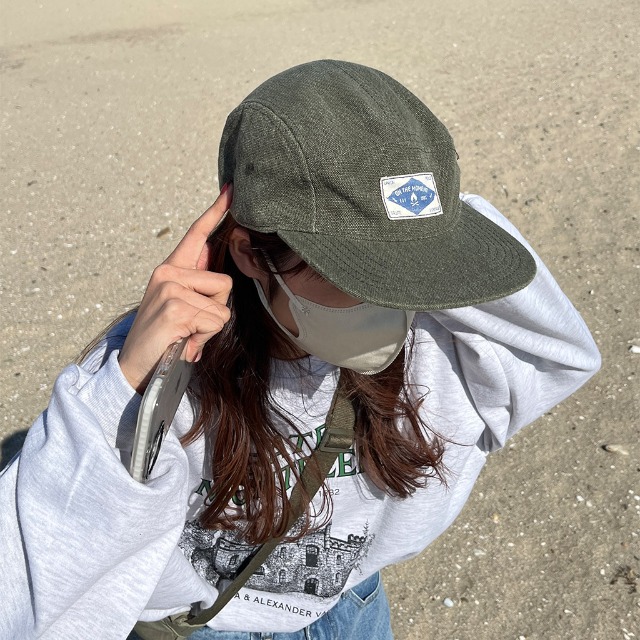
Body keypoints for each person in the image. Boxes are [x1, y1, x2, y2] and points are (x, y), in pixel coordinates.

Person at [0, 60, 601, 640]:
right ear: (250, 253)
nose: (396, 299)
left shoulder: (444, 349)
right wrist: (128, 388)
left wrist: (421, 219)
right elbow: (30, 596)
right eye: (360, 272)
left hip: (354, 610)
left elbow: (561, 350)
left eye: (414, 270)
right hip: (205, 628)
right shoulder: (159, 371)